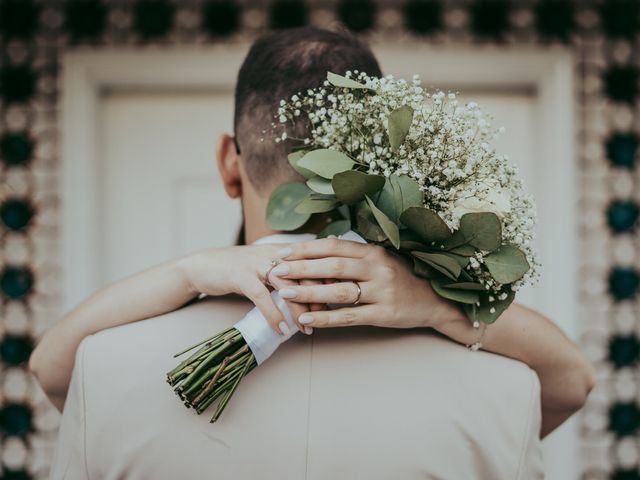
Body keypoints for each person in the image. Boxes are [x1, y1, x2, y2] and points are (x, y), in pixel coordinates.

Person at [30, 27, 594, 479]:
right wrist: (435, 303)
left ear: (230, 161)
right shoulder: (506, 388)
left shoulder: (103, 370)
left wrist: (184, 273)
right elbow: (575, 381)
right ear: (386, 169)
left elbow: (48, 368)